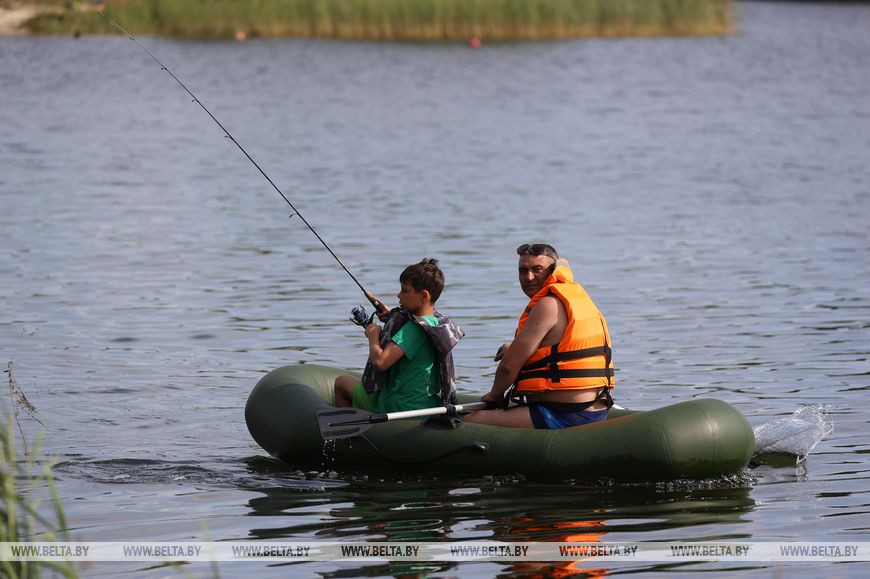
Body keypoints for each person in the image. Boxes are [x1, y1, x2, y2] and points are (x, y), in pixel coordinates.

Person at [465, 243, 614, 429]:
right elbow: (558, 350)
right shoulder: (576, 298)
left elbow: (508, 367)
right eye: (523, 271)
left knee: (471, 421)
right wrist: (515, 350)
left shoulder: (547, 305)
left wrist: (495, 395)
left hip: (564, 415)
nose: (529, 277)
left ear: (552, 271)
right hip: (594, 410)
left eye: (537, 269)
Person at [333, 258, 464, 413]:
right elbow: (413, 321)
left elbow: (381, 362)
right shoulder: (437, 325)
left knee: (341, 383)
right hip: (427, 405)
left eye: (405, 291)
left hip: (398, 407)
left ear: (424, 296)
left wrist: (373, 335)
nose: (398, 295)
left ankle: (349, 435)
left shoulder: (412, 330)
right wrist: (393, 316)